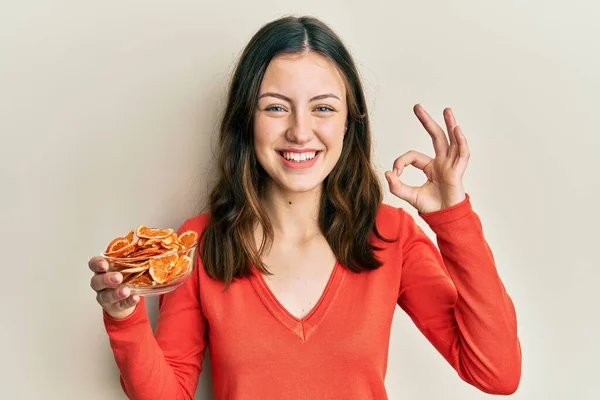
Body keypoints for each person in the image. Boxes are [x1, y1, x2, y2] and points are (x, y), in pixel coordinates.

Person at [89, 15, 522, 399]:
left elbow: (496, 372)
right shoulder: (199, 243)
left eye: (323, 108)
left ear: (350, 122)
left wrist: (453, 218)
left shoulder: (392, 236)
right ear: (247, 120)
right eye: (276, 107)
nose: (300, 131)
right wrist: (124, 317)